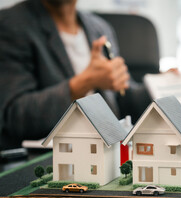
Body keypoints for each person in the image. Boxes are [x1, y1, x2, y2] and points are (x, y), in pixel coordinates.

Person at [0, 0, 151, 149]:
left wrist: (158, 85)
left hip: (108, 146)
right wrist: (86, 81)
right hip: (50, 156)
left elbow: (123, 97)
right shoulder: (10, 24)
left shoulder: (99, 27)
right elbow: (14, 116)